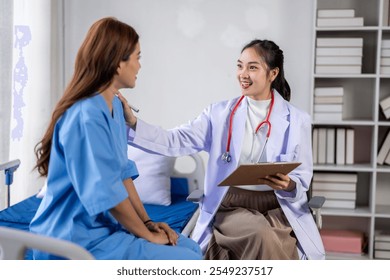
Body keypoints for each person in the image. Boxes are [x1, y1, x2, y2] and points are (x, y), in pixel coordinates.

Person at [121, 39, 325, 260]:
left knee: (276, 239)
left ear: (273, 73)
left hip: (279, 206)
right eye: (240, 66)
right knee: (262, 235)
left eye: (252, 67)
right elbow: (174, 140)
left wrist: (289, 184)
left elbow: (302, 176)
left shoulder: (297, 120)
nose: (243, 74)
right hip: (232, 205)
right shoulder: (218, 114)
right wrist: (134, 123)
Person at [30, 17, 202, 260]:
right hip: (72, 240)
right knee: (189, 260)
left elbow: (122, 175)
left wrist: (148, 222)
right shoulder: (86, 116)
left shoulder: (114, 109)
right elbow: (107, 192)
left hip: (102, 231)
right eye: (137, 57)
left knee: (191, 248)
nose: (140, 66)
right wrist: (147, 236)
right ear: (118, 62)